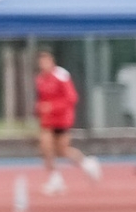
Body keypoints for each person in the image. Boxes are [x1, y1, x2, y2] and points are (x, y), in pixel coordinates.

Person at [34, 48, 101, 194]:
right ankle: (55, 179)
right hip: (47, 122)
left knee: (62, 151)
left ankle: (87, 163)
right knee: (45, 147)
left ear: (52, 61)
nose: (43, 64)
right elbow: (41, 100)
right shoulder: (39, 79)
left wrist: (52, 107)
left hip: (62, 119)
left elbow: (72, 98)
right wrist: (39, 108)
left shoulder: (61, 75)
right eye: (41, 62)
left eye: (46, 61)